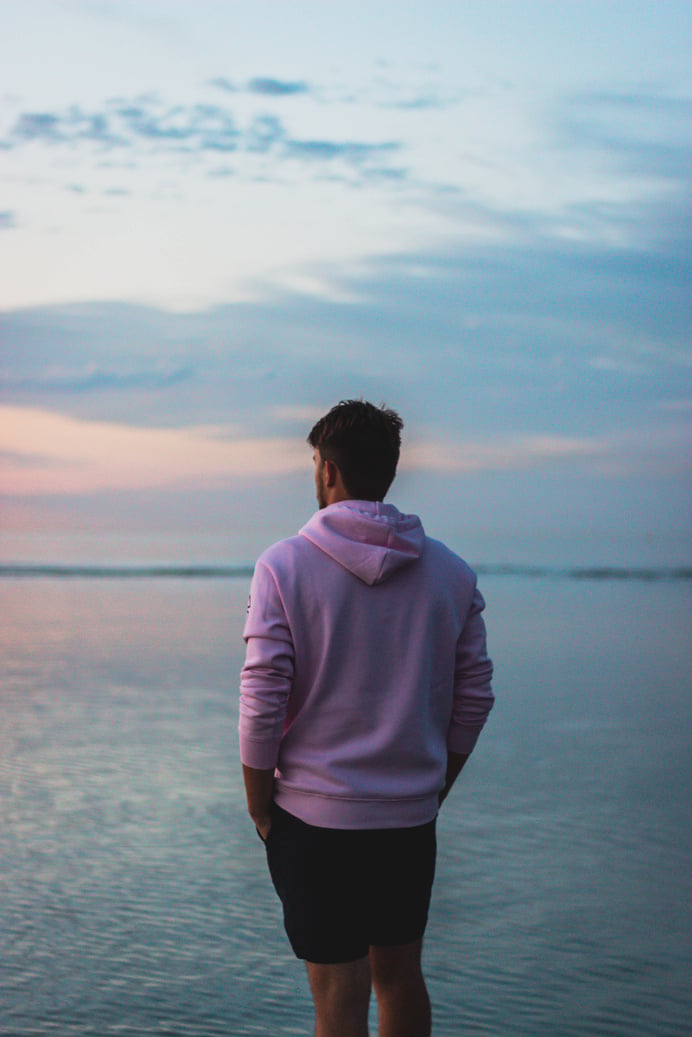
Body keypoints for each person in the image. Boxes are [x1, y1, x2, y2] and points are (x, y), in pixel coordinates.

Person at [239, 400, 494, 1037]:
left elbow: (263, 693)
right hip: (409, 816)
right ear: (390, 469)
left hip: (312, 815)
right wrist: (435, 784)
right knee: (400, 974)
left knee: (338, 991)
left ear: (326, 470)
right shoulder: (452, 573)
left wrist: (259, 802)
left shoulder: (283, 564)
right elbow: (475, 696)